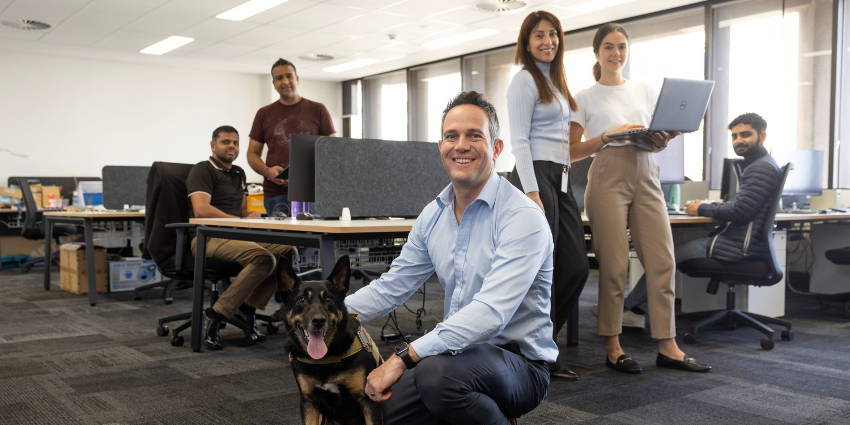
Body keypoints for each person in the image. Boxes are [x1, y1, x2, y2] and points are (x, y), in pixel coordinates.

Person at [344, 91, 556, 424]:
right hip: (455, 355)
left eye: (475, 136)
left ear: (497, 148)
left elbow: (490, 313)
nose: (461, 145)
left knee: (436, 377)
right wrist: (327, 319)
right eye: (451, 136)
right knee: (367, 410)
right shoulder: (434, 215)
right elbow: (391, 287)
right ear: (440, 147)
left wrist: (401, 359)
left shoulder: (522, 217)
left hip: (520, 364)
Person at [569, 23, 710, 373]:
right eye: (609, 47)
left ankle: (668, 345)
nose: (616, 54)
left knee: (662, 262)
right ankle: (613, 346)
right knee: (615, 266)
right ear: (597, 52)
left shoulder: (646, 90)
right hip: (607, 173)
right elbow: (570, 151)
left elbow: (656, 139)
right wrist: (606, 135)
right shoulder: (583, 97)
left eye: (622, 47)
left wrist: (663, 138)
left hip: (647, 170)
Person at [619, 113, 781, 320]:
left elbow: (741, 211)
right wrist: (707, 206)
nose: (738, 140)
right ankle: (642, 308)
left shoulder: (760, 168)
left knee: (666, 257)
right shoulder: (760, 164)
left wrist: (700, 210)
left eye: (745, 135)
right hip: (743, 243)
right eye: (734, 136)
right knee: (669, 252)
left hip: (738, 247)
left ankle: (629, 307)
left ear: (762, 136)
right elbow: (743, 206)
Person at [505, 10, 589, 381]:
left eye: (553, 34)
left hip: (563, 178)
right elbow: (519, 140)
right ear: (526, 43)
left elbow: (565, 143)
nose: (548, 41)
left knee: (576, 266)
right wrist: (532, 191)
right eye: (538, 35)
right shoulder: (523, 81)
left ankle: (539, 342)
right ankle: (539, 352)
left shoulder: (557, 84)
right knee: (545, 271)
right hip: (535, 175)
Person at [187, 125, 297, 350]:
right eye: (226, 142)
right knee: (264, 259)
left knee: (288, 250)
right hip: (207, 237)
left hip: (235, 235)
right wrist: (235, 220)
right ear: (213, 145)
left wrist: (251, 215)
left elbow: (242, 210)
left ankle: (248, 307)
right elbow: (201, 209)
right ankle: (216, 315)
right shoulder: (202, 170)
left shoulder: (238, 173)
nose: (231, 146)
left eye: (235, 143)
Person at [246, 59, 336, 217]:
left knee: (312, 240)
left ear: (297, 79)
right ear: (274, 83)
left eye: (289, 76)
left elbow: (333, 150)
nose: (285, 81)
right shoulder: (263, 113)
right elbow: (252, 154)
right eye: (279, 78)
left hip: (313, 193)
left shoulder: (318, 109)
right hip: (276, 193)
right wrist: (268, 172)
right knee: (280, 241)